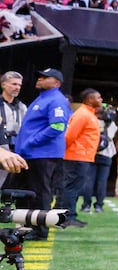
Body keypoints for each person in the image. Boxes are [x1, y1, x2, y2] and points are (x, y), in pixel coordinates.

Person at [17, 68, 70, 213]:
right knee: (28, 190)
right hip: (32, 152)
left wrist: (31, 141)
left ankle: (39, 229)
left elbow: (58, 126)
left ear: (57, 83)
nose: (40, 78)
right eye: (40, 76)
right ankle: (28, 224)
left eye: (46, 77)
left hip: (43, 153)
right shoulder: (42, 98)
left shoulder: (56, 100)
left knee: (39, 191)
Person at [63, 88, 103, 216]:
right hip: (76, 156)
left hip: (83, 156)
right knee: (72, 187)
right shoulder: (83, 115)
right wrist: (71, 153)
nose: (101, 100)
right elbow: (69, 136)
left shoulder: (89, 114)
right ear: (90, 99)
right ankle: (68, 216)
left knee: (75, 187)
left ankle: (70, 215)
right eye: (98, 97)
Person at [0, 70, 24, 191]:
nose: (17, 87)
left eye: (19, 85)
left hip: (16, 146)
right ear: (3, 84)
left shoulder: (22, 106)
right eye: (14, 84)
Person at [92, 105, 116, 212]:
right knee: (102, 181)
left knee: (89, 180)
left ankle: (86, 205)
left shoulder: (94, 122)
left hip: (93, 153)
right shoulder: (113, 126)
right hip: (106, 154)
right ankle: (99, 205)